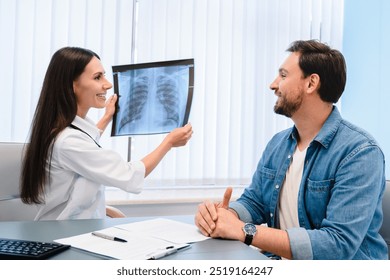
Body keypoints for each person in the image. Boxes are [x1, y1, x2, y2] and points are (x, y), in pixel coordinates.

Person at [195, 40, 388, 260]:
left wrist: (243, 231)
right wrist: (223, 215)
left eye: (284, 75)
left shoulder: (361, 152)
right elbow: (255, 202)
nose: (273, 84)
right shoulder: (278, 144)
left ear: (311, 83)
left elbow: (337, 244)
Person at [20, 47, 193, 220]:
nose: (108, 84)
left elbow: (86, 146)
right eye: (97, 77)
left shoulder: (64, 131)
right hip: (64, 236)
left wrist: (107, 117)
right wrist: (168, 143)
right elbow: (130, 175)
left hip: (76, 229)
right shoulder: (68, 141)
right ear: (72, 85)